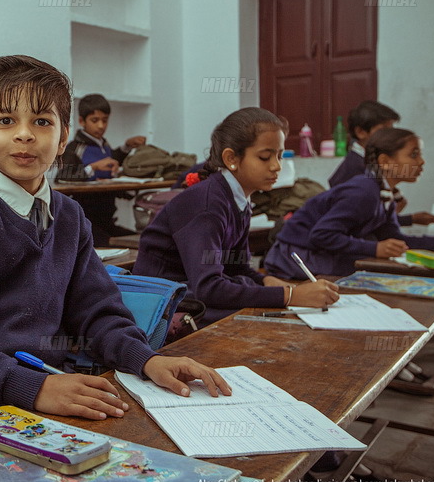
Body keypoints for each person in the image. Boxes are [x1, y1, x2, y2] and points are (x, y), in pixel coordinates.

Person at [0, 55, 231, 449]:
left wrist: (146, 359)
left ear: (62, 140)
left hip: (44, 378)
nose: (25, 135)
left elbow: (98, 310)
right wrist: (33, 388)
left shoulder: (69, 217)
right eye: (6, 120)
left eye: (42, 121)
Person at [132, 108, 338, 327]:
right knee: (270, 323)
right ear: (231, 158)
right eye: (265, 157)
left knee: (271, 312)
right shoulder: (208, 206)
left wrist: (268, 281)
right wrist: (289, 296)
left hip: (194, 294)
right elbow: (209, 288)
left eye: (279, 156)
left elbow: (237, 267)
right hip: (162, 306)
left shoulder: (238, 198)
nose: (276, 166)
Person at [265, 127, 434, 279]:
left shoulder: (385, 194)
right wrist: (374, 248)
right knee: (372, 281)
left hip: (321, 254)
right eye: (414, 155)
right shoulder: (363, 191)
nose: (422, 162)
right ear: (385, 161)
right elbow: (322, 235)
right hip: (296, 257)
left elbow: (395, 240)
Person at [328, 100, 434, 226]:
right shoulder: (354, 170)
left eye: (392, 130)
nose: (391, 136)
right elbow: (360, 223)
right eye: (384, 131)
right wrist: (411, 219)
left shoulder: (372, 164)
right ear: (361, 132)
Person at [56, 93, 145, 246]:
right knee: (120, 243)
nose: (101, 126)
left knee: (142, 240)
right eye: (95, 120)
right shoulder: (74, 148)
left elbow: (112, 158)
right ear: (81, 121)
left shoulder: (103, 144)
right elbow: (62, 176)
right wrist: (93, 168)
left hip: (107, 221)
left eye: (105, 120)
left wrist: (127, 147)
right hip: (85, 224)